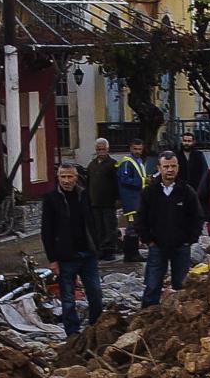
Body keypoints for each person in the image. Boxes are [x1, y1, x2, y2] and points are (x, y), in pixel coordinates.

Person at [40, 159, 106, 337]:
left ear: (76, 177)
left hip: (87, 253)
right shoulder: (52, 199)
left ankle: (95, 327)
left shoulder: (83, 195)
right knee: (68, 299)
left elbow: (91, 222)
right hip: (66, 256)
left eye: (70, 177)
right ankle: (72, 333)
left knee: (96, 294)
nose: (66, 180)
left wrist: (96, 246)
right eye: (63, 177)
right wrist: (52, 259)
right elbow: (46, 230)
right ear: (58, 177)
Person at [135, 149, 205, 305]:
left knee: (182, 286)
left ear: (178, 167)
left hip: (181, 246)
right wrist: (148, 239)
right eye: (166, 166)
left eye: (173, 166)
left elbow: (197, 217)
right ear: (159, 168)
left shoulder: (186, 191)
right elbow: (140, 218)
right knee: (152, 285)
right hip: (157, 246)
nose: (170, 170)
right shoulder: (150, 192)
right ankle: (147, 318)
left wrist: (190, 239)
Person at [85, 138, 122, 260]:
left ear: (107, 149)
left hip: (109, 202)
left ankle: (109, 251)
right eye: (98, 149)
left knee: (109, 227)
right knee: (98, 228)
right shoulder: (92, 165)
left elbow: (118, 183)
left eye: (103, 149)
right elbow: (88, 183)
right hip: (95, 202)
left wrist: (117, 199)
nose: (101, 151)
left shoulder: (113, 164)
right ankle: (100, 249)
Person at [115, 137, 149, 262]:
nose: (137, 151)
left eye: (140, 149)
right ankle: (130, 254)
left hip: (138, 199)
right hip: (131, 200)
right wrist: (143, 181)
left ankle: (133, 252)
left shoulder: (139, 160)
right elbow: (125, 180)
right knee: (132, 227)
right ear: (130, 148)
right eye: (135, 149)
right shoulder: (127, 162)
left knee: (136, 226)